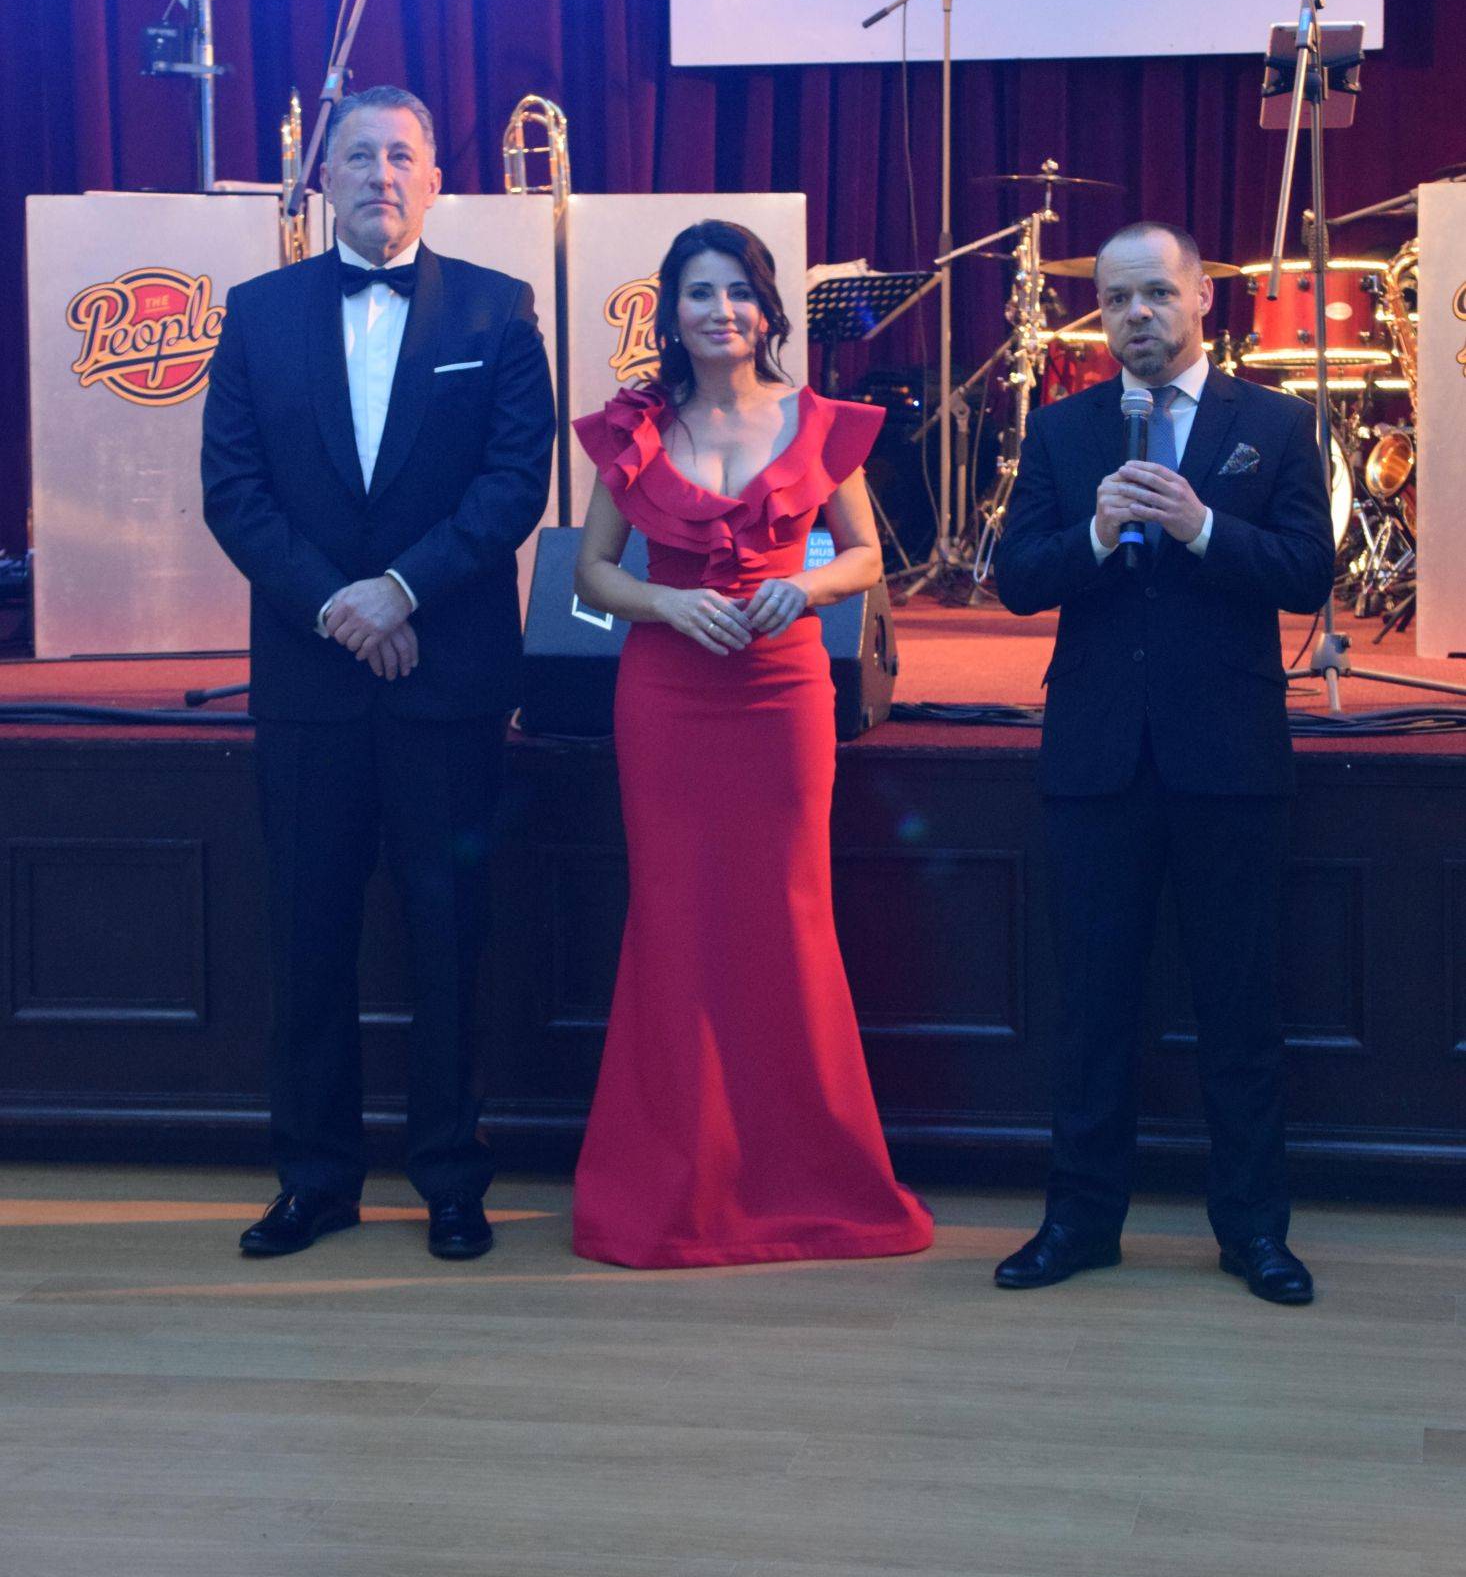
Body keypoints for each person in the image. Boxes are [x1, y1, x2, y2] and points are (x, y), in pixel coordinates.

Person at [201, 86, 555, 1261]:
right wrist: (339, 609)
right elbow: (235, 493)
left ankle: (451, 1177)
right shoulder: (256, 314)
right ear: (323, 182)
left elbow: (512, 484)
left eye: (402, 156)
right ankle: (314, 1179)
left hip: (446, 675)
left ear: (436, 180)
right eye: (358, 155)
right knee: (308, 937)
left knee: (450, 936)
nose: (380, 175)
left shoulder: (498, 309)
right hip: (310, 683)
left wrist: (399, 590)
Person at [569, 220, 933, 1268]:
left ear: (767, 310)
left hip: (782, 695)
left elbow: (865, 557)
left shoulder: (817, 421)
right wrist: (669, 605)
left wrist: (801, 588)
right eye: (699, 292)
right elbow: (592, 573)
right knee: (674, 919)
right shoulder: (636, 429)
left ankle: (802, 1174)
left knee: (788, 916)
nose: (720, 310)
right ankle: (680, 1179)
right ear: (670, 313)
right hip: (667, 694)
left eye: (738, 291)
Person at [992, 222, 1335, 1305]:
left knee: (1238, 1007)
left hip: (1228, 758)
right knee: (1092, 1007)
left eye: (1154, 293)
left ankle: (1254, 1232)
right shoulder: (1063, 429)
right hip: (1097, 758)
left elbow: (1305, 572)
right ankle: (1079, 1222)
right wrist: (1095, 536)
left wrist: (1200, 527)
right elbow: (1016, 578)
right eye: (1113, 299)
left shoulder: (1273, 425)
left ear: (1201, 299)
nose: (1134, 315)